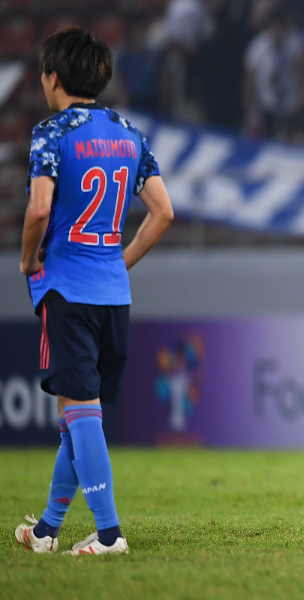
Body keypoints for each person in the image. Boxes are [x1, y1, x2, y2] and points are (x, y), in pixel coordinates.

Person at [14, 28, 175, 556]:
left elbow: (39, 209)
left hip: (68, 290)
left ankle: (110, 534)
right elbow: (163, 213)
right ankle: (47, 532)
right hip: (113, 295)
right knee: (79, 413)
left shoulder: (51, 133)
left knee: (80, 413)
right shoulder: (129, 132)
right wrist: (120, 261)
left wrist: (26, 258)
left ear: (52, 78)